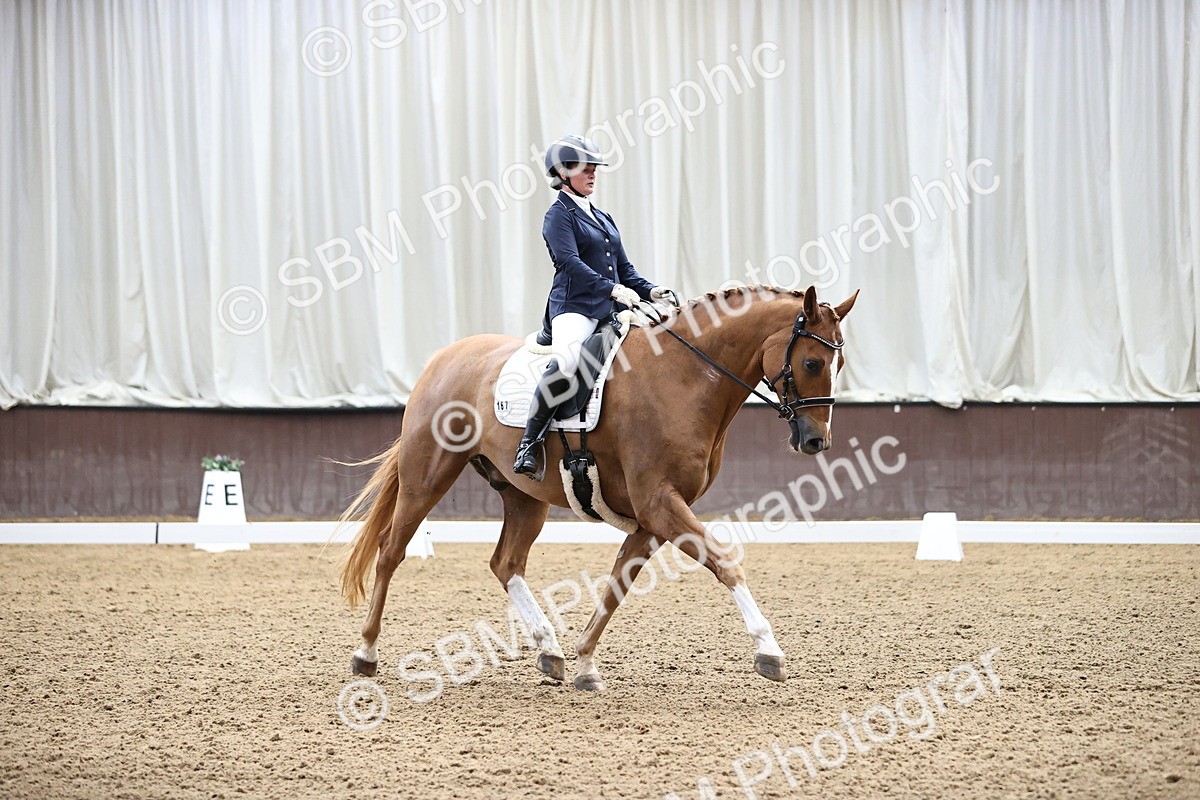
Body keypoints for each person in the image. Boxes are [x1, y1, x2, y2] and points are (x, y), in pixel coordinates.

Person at [513, 134, 676, 479]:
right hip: (574, 307)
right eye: (584, 168)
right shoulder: (557, 216)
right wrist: (613, 289)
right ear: (562, 173)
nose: (592, 174)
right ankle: (529, 442)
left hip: (610, 309)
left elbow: (625, 269)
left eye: (594, 168)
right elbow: (569, 263)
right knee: (569, 360)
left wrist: (652, 290)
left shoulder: (603, 217)